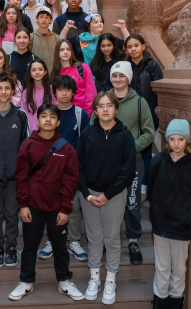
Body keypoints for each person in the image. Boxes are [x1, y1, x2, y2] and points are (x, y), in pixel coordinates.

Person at [10, 103, 84, 302]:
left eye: (53, 116)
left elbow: (71, 181)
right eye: (44, 116)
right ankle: (26, 282)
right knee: (29, 246)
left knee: (60, 246)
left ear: (58, 122)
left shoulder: (67, 149)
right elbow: (21, 176)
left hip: (57, 207)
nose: (48, 119)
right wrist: (23, 204)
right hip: (32, 205)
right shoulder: (28, 145)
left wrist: (66, 208)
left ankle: (64, 281)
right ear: (38, 120)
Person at [91, 61, 155, 265]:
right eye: (114, 76)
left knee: (132, 203)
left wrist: (129, 148)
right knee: (106, 201)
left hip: (132, 162)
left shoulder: (139, 102)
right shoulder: (103, 99)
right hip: (107, 164)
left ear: (128, 78)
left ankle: (133, 240)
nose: (117, 79)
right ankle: (105, 240)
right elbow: (93, 128)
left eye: (122, 76)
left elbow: (149, 133)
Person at [77, 91, 137, 305]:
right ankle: (95, 278)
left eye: (109, 105)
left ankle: (110, 279)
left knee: (111, 239)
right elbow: (79, 167)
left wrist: (108, 194)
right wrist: (86, 193)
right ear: (94, 110)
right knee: (94, 239)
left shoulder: (125, 136)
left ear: (116, 109)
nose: (105, 109)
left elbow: (128, 170)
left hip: (114, 195)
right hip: (90, 196)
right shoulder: (87, 134)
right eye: (100, 106)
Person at [147, 119, 191, 309]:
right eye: (172, 139)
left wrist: (189, 218)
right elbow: (151, 191)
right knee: (162, 266)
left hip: (182, 227)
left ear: (186, 140)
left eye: (180, 139)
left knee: (179, 268)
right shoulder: (157, 162)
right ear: (167, 140)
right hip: (161, 226)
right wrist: (157, 214)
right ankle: (160, 302)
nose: (175, 143)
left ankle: (175, 302)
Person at [38, 75, 89, 262]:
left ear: (73, 92)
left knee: (73, 206)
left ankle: (74, 241)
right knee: (50, 206)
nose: (64, 92)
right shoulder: (49, 112)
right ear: (55, 92)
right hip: (50, 168)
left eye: (68, 89)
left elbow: (85, 143)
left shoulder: (80, 114)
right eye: (60, 89)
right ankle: (52, 239)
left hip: (71, 169)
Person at [0, 72, 29, 268]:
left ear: (12, 91)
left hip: (14, 175)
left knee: (12, 213)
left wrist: (23, 172)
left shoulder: (20, 115)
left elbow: (25, 146)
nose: (3, 92)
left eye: (7, 88)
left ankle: (11, 247)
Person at [126, 34, 164, 190]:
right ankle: (128, 182)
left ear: (143, 46)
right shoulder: (124, 66)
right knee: (128, 149)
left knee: (146, 151)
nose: (133, 49)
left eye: (136, 45)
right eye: (129, 46)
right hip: (128, 115)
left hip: (148, 115)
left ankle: (144, 184)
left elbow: (158, 92)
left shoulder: (152, 66)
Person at [51, 39, 96, 116]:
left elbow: (91, 93)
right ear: (57, 53)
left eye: (68, 49)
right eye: (62, 50)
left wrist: (86, 114)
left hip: (82, 114)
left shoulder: (83, 68)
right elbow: (54, 98)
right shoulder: (55, 73)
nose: (65, 52)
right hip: (62, 115)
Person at [61, 14, 128, 66]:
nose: (100, 24)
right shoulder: (79, 39)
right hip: (83, 75)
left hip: (103, 76)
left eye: (101, 22)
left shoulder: (106, 38)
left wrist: (123, 28)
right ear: (88, 26)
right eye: (96, 22)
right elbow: (60, 43)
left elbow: (128, 45)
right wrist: (66, 27)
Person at [20, 59, 56, 132]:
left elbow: (56, 111)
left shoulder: (52, 90)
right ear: (30, 73)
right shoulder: (26, 92)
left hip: (48, 131)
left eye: (40, 69)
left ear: (45, 72)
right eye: (33, 70)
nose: (37, 72)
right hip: (31, 133)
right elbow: (23, 114)